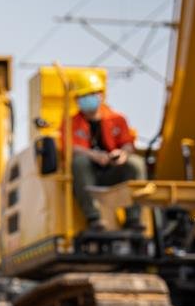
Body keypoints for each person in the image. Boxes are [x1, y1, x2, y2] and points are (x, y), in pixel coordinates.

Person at [62, 71, 146, 230]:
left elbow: (128, 144)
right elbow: (73, 148)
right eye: (82, 96)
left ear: (101, 95)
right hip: (87, 176)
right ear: (76, 99)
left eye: (91, 94)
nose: (87, 99)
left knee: (136, 163)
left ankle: (133, 218)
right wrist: (94, 155)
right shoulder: (70, 123)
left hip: (113, 172)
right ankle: (94, 217)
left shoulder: (118, 119)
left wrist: (122, 154)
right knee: (80, 162)